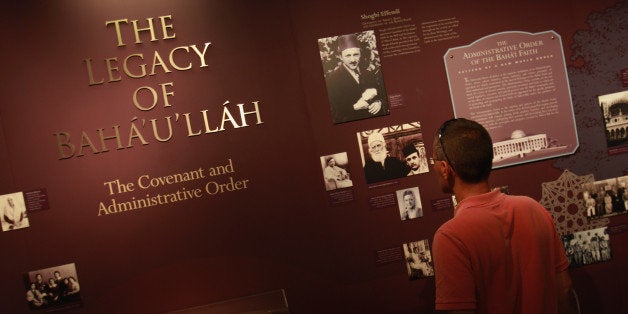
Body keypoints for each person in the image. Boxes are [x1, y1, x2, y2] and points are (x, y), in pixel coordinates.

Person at [430, 118, 577, 313]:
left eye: (433, 161)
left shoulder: (450, 237)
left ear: (444, 169)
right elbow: (565, 290)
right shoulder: (534, 209)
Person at [324, 33, 389, 123]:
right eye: (348, 55)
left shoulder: (368, 73)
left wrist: (379, 103)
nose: (353, 60)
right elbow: (333, 113)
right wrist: (354, 107)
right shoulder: (332, 80)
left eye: (356, 54)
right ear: (340, 56)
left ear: (360, 54)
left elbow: (384, 95)